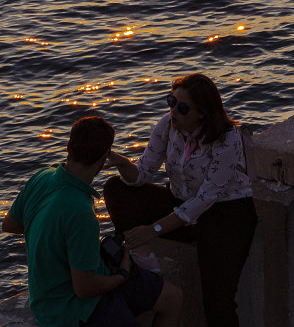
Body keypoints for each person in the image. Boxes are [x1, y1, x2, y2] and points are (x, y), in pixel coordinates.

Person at [103, 74, 257, 327]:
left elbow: (204, 200)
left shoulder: (228, 141)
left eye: (182, 108)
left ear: (203, 113)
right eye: (171, 102)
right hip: (180, 202)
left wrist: (151, 231)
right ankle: (142, 260)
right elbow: (143, 173)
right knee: (116, 188)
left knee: (218, 302)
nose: (173, 110)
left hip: (226, 214)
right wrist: (122, 163)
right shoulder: (168, 125)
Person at [2, 115, 183, 327]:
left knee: (172, 298)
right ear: (105, 157)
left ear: (69, 146)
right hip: (71, 308)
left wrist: (51, 238)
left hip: (90, 278)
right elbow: (84, 289)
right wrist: (122, 276)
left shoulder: (42, 177)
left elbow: (10, 225)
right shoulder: (80, 212)